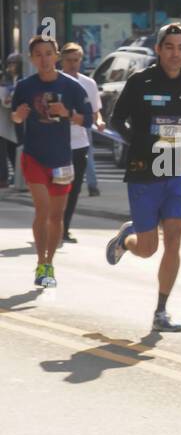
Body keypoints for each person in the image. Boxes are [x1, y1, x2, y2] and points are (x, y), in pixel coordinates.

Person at [104, 23, 181, 332]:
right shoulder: (140, 81)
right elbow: (116, 120)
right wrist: (139, 144)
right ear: (159, 49)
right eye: (170, 47)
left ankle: (161, 311)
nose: (176, 54)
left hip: (177, 172)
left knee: (174, 240)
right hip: (143, 172)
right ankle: (127, 238)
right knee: (148, 248)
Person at [11, 36, 93, 287]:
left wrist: (67, 113)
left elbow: (87, 120)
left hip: (62, 158)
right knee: (43, 209)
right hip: (34, 155)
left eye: (48, 53)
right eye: (39, 54)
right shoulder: (25, 86)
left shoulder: (72, 87)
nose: (44, 59)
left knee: (57, 216)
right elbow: (15, 116)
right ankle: (40, 263)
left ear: (56, 56)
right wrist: (18, 116)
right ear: (32, 58)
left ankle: (49, 263)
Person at [58, 43, 106, 243]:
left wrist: (100, 121)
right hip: (57, 144)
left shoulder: (89, 83)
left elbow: (95, 111)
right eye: (69, 60)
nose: (72, 64)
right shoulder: (55, 81)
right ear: (61, 61)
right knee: (58, 189)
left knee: (74, 188)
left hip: (80, 144)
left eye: (76, 60)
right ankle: (54, 225)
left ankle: (64, 229)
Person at [0, 52, 23, 188]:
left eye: (14, 63)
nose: (11, 66)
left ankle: (19, 176)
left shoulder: (21, 79)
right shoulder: (6, 79)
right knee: (9, 149)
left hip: (18, 120)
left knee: (17, 148)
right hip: (7, 120)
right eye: (9, 63)